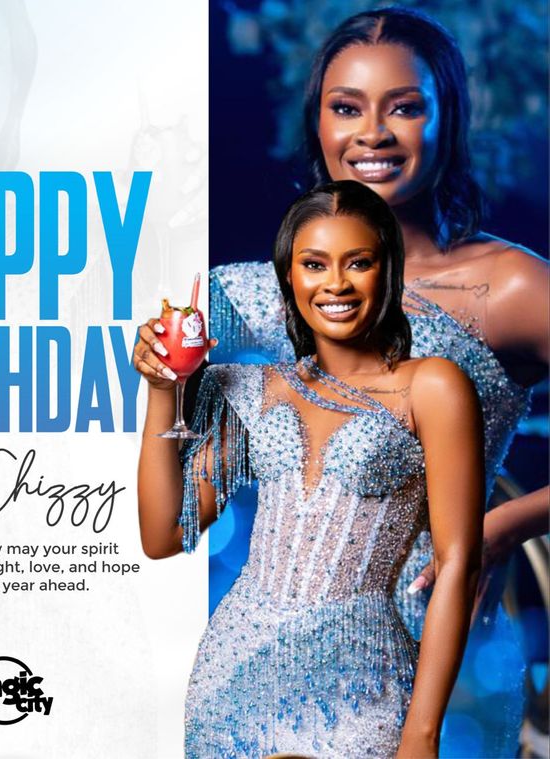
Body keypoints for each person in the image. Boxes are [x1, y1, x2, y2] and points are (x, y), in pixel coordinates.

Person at [209, 8, 548, 756]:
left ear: (447, 117)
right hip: (257, 668)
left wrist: (501, 526)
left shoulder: (510, 287)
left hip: (429, 672)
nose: (372, 133)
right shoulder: (279, 290)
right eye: (346, 107)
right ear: (319, 125)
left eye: (405, 106)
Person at [135, 180, 484, 758]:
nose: (336, 283)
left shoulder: (433, 386)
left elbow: (458, 564)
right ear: (290, 277)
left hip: (363, 687)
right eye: (314, 264)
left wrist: (421, 736)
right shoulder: (254, 389)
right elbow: (163, 534)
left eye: (359, 262)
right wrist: (160, 392)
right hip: (235, 675)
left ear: (387, 270)